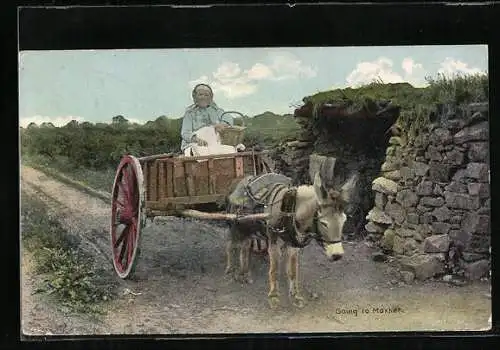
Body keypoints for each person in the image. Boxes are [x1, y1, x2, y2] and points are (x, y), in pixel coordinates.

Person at [180, 83, 234, 154]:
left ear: (210, 98)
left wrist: (222, 124)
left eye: (206, 95)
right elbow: (185, 133)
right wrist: (196, 139)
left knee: (229, 149)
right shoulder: (190, 113)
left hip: (213, 142)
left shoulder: (216, 110)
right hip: (196, 143)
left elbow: (228, 117)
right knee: (199, 151)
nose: (203, 97)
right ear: (195, 97)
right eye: (200, 95)